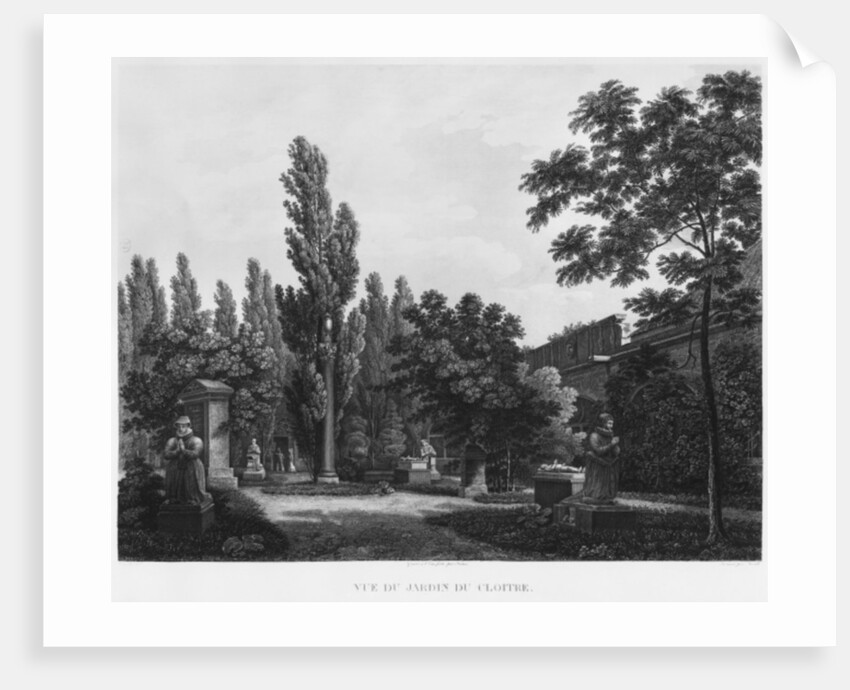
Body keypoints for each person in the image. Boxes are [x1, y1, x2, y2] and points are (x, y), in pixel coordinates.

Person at [163, 416, 211, 505]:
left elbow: (195, 453)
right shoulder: (172, 440)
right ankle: (173, 498)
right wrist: (177, 451)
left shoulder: (196, 440)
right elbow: (166, 454)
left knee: (190, 482)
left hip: (191, 465)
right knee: (174, 481)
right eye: (179, 426)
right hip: (175, 466)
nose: (181, 429)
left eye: (183, 426)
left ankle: (193, 498)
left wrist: (184, 450)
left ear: (188, 426)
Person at [581, 413, 622, 504]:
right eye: (609, 423)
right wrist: (611, 444)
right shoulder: (594, 436)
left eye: (612, 424)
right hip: (598, 464)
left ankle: (608, 497)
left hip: (609, 464)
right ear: (603, 423)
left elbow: (615, 452)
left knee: (608, 488)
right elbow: (598, 451)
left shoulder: (610, 435)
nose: (611, 426)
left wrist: (615, 446)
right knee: (598, 488)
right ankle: (596, 498)